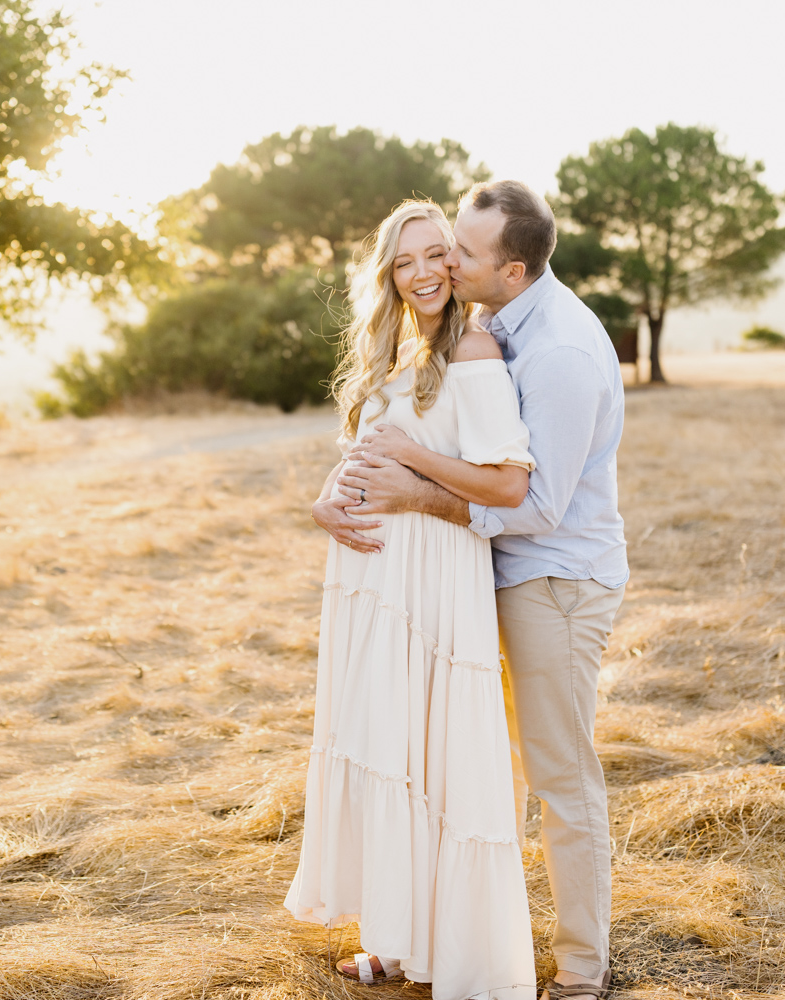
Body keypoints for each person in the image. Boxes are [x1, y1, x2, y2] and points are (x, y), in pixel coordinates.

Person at [326, 180, 628, 1000]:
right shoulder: (489, 320)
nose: (446, 262)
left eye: (461, 251)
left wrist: (417, 489)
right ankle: (414, 935)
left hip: (553, 579)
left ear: (515, 269)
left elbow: (531, 501)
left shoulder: (558, 351)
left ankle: (579, 971)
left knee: (558, 776)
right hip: (474, 575)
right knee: (437, 757)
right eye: (434, 247)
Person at [285, 200, 537, 1000]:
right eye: (406, 260)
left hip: (432, 581)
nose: (425, 271)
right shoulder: (397, 348)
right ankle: (392, 940)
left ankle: (457, 954)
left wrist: (414, 473)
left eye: (438, 255)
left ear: (459, 263)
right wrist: (327, 502)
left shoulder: (472, 345)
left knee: (434, 758)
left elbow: (508, 479)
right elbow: (367, 447)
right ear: (388, 274)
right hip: (372, 583)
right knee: (389, 752)